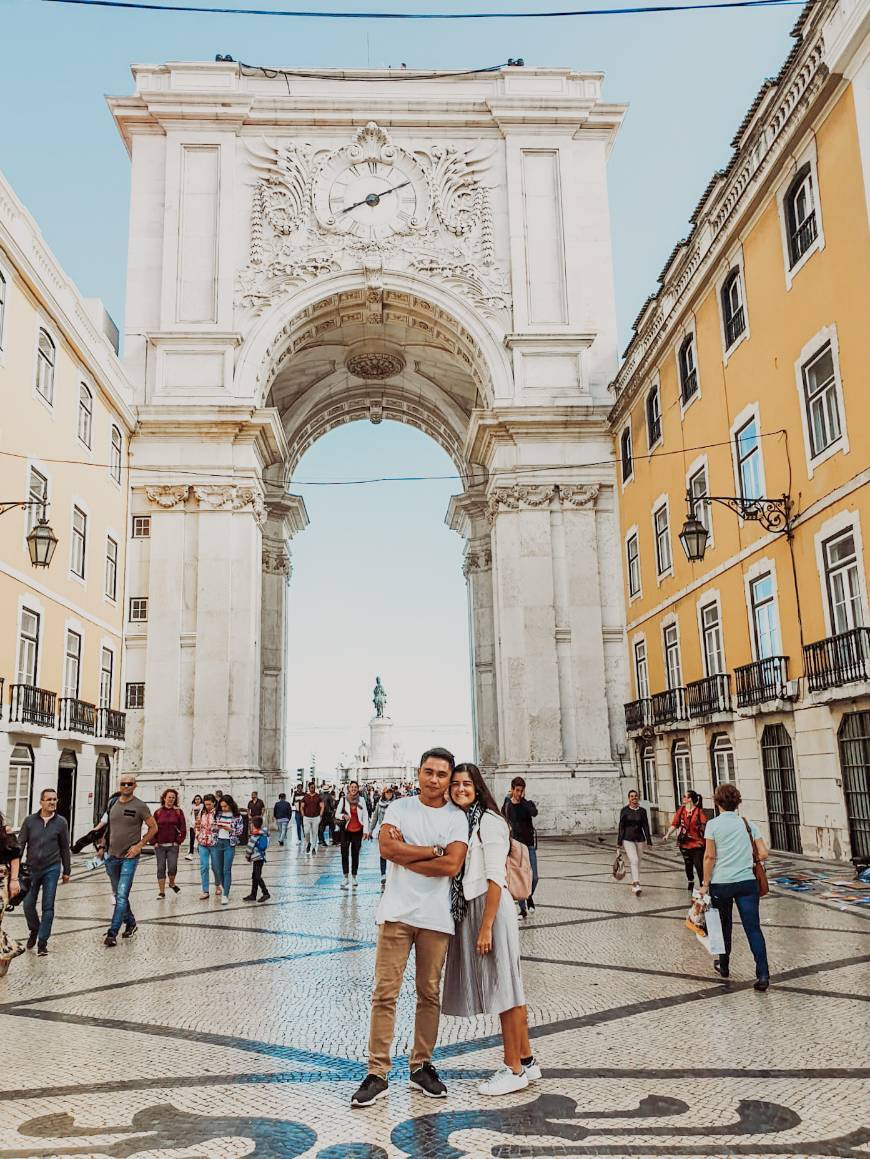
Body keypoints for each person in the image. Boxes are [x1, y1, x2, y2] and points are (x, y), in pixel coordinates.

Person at [351, 748, 468, 1109]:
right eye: (428, 772)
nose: (434, 779)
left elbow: (452, 864)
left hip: (435, 918)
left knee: (428, 993)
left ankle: (421, 1065)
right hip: (397, 913)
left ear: (449, 779)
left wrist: (411, 852)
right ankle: (377, 1072)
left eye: (441, 774)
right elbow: (387, 848)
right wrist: (431, 851)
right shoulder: (399, 807)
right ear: (418, 773)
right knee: (384, 993)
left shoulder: (456, 818)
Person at [443, 763, 540, 1096]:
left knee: (504, 990)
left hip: (491, 910)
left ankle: (512, 1069)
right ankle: (526, 1060)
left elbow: (496, 876)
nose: (459, 789)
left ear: (478, 786)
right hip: (480, 908)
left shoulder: (489, 822)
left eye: (466, 784)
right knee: (510, 987)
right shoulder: (467, 821)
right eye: (455, 784)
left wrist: (485, 927)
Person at [702, 783, 771, 990]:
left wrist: (705, 884)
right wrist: (744, 858)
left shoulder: (712, 825)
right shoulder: (747, 824)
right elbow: (764, 853)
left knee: (723, 927)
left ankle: (724, 966)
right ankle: (763, 975)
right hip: (746, 882)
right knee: (753, 928)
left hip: (721, 883)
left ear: (717, 802)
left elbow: (709, 856)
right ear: (737, 802)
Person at [100, 775, 157, 948]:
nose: (126, 786)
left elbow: (154, 827)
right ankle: (131, 923)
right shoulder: (112, 803)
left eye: (129, 784)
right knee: (119, 894)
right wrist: (101, 847)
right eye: (123, 784)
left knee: (122, 895)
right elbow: (107, 828)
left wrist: (139, 845)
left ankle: (112, 933)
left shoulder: (140, 806)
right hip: (111, 856)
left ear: (135, 785)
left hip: (129, 858)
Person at [18, 787, 72, 956]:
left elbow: (65, 847)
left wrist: (67, 870)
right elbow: (20, 845)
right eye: (49, 799)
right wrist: (15, 866)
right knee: (28, 904)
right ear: (41, 801)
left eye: (54, 799)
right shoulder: (29, 821)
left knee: (48, 906)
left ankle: (42, 942)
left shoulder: (61, 822)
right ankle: (34, 929)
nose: (52, 802)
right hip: (32, 868)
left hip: (52, 868)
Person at [502, 776, 538, 918]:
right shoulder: (508, 805)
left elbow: (534, 812)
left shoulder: (527, 803)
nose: (518, 793)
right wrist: (507, 799)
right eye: (516, 790)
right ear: (512, 789)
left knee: (534, 877)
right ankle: (523, 909)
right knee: (520, 877)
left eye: (521, 791)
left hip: (528, 845)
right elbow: (502, 817)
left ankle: (528, 896)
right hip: (516, 846)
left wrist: (522, 800)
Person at [663, 790, 707, 892]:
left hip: (697, 844)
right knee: (688, 864)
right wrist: (667, 834)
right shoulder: (681, 810)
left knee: (699, 865)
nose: (683, 798)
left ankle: (702, 885)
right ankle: (690, 881)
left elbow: (705, 826)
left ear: (690, 799)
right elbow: (675, 824)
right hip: (684, 843)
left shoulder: (698, 812)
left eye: (684, 796)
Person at [335, 780, 371, 890]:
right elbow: (337, 813)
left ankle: (354, 876)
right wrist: (343, 816)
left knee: (355, 854)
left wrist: (366, 831)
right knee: (344, 853)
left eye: (355, 787)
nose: (353, 789)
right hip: (346, 830)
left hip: (358, 830)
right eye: (352, 787)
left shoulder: (361, 800)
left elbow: (365, 815)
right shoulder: (343, 799)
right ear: (348, 788)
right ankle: (345, 876)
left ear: (358, 788)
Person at [151, 788, 186, 899]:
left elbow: (183, 828)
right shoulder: (158, 812)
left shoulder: (178, 812)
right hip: (160, 846)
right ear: (164, 798)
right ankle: (161, 892)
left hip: (173, 845)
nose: (171, 799)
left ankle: (171, 883)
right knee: (160, 868)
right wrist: (154, 842)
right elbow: (152, 827)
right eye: (169, 797)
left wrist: (178, 841)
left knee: (172, 867)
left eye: (173, 797)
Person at [0, 813, 24, 975]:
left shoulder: (5, 831)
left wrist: (14, 880)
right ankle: (7, 951)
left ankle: (8, 951)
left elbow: (15, 857)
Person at [617, 789, 652, 896]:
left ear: (638, 797)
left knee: (638, 862)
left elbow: (645, 826)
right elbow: (621, 827)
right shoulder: (624, 810)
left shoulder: (642, 811)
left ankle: (634, 883)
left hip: (640, 839)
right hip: (627, 839)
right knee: (634, 860)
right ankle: (637, 884)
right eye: (632, 796)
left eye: (636, 796)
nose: (634, 798)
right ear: (629, 798)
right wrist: (619, 842)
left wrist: (649, 841)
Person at [212, 795, 244, 905]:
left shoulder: (237, 816)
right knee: (218, 869)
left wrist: (230, 829)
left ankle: (225, 894)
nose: (223, 808)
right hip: (217, 843)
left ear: (230, 805)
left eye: (225, 806)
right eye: (221, 806)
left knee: (227, 869)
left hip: (229, 844)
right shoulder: (218, 814)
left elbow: (240, 831)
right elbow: (213, 828)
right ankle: (224, 886)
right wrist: (215, 827)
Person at [195, 795, 220, 899]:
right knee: (204, 866)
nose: (208, 806)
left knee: (215, 867)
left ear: (214, 802)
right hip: (202, 843)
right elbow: (197, 824)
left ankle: (218, 885)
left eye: (210, 804)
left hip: (214, 843)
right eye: (206, 804)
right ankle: (205, 890)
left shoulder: (218, 813)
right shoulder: (202, 812)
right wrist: (197, 834)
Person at [370, 785, 395, 888]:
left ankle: (394, 875)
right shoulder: (379, 804)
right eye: (387, 792)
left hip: (393, 831)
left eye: (390, 792)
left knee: (394, 854)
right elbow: (375, 817)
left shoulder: (396, 804)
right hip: (383, 831)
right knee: (383, 853)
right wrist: (370, 830)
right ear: (384, 794)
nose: (389, 794)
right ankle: (383, 874)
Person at [243, 817, 270, 902]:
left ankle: (266, 893)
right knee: (255, 876)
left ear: (253, 825)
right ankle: (253, 895)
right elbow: (267, 833)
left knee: (257, 876)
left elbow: (249, 849)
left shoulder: (254, 836)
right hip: (261, 857)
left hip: (256, 858)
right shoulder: (264, 833)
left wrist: (247, 857)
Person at [301, 781, 323, 855]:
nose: (313, 788)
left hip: (316, 817)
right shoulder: (306, 796)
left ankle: (313, 848)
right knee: (306, 831)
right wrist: (303, 814)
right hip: (306, 817)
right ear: (309, 788)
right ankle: (308, 843)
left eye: (314, 787)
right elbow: (302, 806)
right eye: (311, 787)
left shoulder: (318, 796)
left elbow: (322, 806)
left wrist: (320, 815)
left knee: (315, 833)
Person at [186, 794, 203, 861]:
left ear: (200, 800)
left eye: (198, 799)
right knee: (192, 839)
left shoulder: (202, 806)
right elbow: (189, 816)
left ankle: (201, 853)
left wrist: (199, 823)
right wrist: (192, 823)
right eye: (196, 799)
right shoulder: (192, 807)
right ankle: (190, 853)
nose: (197, 800)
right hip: (192, 825)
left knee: (200, 839)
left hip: (200, 825)